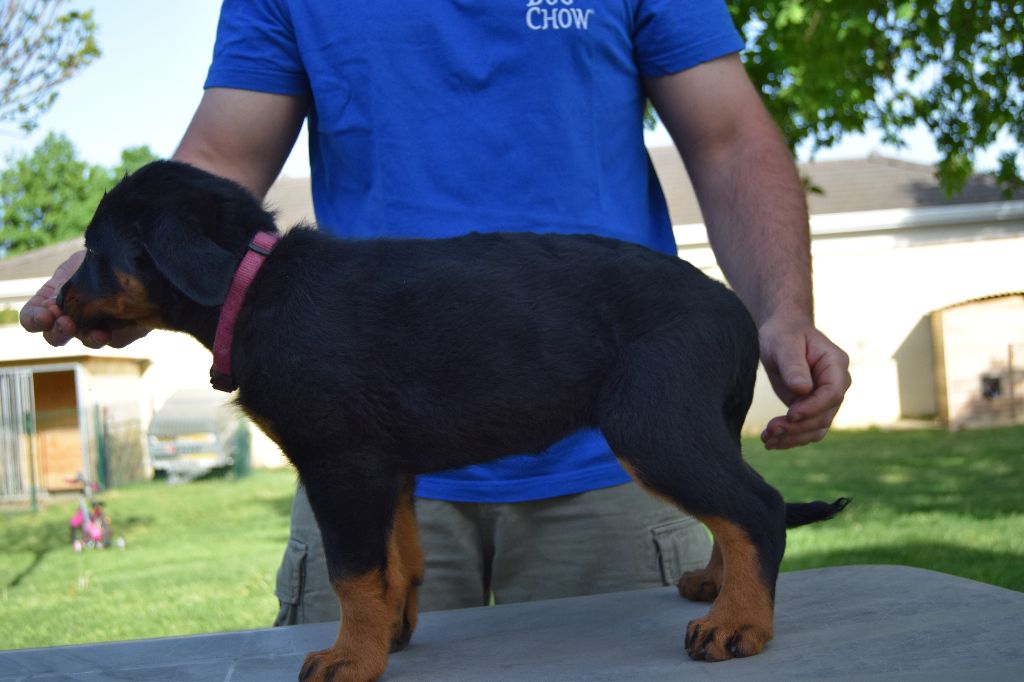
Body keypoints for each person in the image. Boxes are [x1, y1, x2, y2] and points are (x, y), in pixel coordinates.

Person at [21, 0, 851, 623]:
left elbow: (729, 136)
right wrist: (127, 267)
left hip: (606, 446)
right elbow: (218, 162)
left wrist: (783, 309)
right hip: (360, 441)